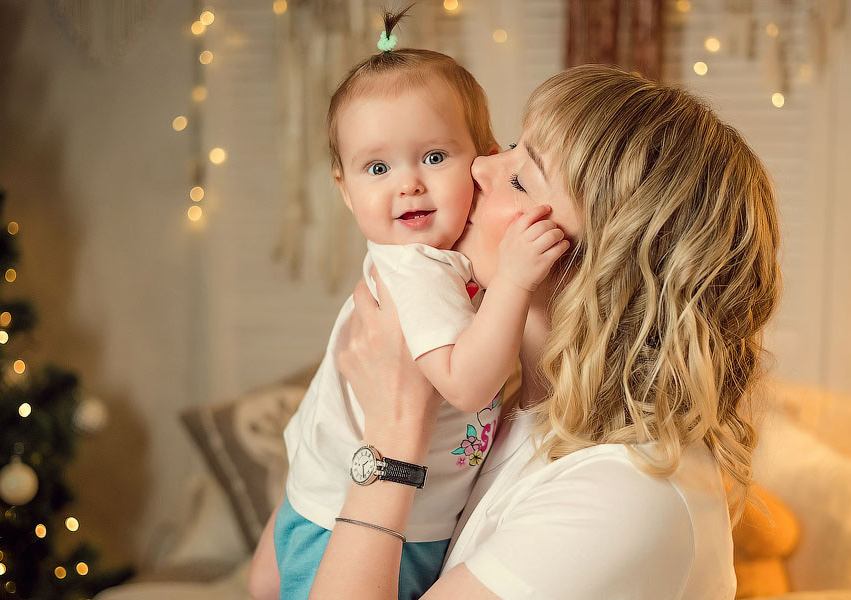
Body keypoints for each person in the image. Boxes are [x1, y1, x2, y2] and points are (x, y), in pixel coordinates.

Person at [309, 63, 781, 599]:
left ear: (602, 267)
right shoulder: (514, 415)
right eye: (511, 146)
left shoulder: (622, 498)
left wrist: (394, 432)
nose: (478, 165)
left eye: (520, 179)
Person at [247, 9, 571, 600]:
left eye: (434, 157)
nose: (408, 184)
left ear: (481, 159)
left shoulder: (438, 261)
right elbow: (467, 385)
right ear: (346, 190)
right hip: (375, 523)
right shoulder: (418, 271)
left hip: (331, 503)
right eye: (378, 167)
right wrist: (515, 281)